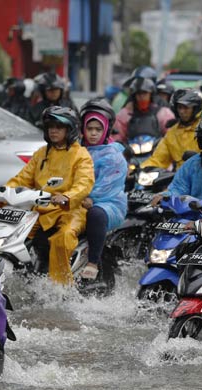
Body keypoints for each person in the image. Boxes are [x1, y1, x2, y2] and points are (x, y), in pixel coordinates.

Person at [0, 107, 94, 284]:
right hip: (40, 209)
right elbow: (22, 178)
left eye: (58, 127)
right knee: (10, 234)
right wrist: (3, 191)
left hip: (70, 211)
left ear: (69, 130)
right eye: (50, 126)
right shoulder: (41, 153)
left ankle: (60, 287)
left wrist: (67, 197)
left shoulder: (81, 155)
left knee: (63, 238)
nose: (53, 130)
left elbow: (84, 183)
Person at [79, 98, 128, 280]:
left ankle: (92, 261)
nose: (93, 133)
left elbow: (107, 186)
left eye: (98, 129)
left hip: (108, 203)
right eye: (89, 129)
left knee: (96, 214)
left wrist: (90, 198)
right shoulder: (75, 150)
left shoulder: (113, 155)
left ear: (106, 129)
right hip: (77, 199)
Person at [141, 88, 202, 170]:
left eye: (186, 108)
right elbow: (158, 159)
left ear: (196, 109)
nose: (182, 111)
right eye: (179, 107)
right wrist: (142, 169)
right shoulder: (172, 132)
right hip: (180, 179)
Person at [113, 77, 175, 144]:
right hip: (131, 151)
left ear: (151, 95)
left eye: (145, 93)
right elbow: (117, 137)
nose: (142, 97)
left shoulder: (163, 112)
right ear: (134, 96)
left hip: (158, 151)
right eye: (139, 94)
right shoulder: (125, 113)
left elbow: (171, 135)